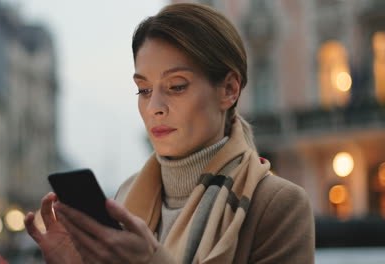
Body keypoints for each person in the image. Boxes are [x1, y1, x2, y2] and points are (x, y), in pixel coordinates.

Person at [24, 3, 315, 263]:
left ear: (229, 90)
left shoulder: (277, 204)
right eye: (144, 90)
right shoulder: (124, 197)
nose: (154, 107)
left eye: (177, 86)